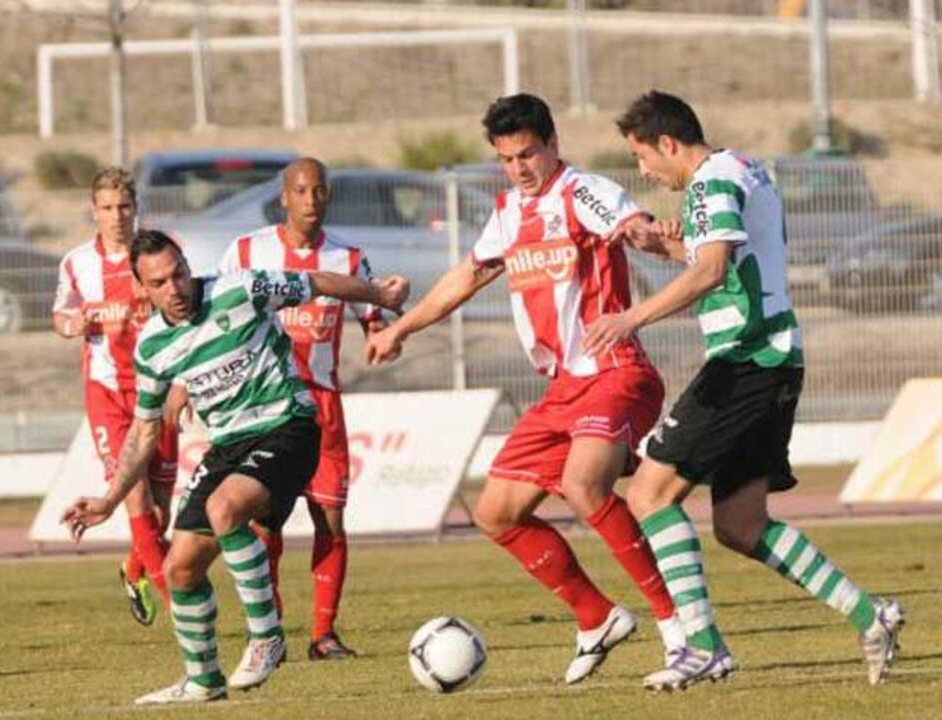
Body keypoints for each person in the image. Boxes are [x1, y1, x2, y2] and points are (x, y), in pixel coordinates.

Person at [367, 93, 684, 684]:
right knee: (496, 512)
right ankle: (597, 618)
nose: (520, 167)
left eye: (529, 154)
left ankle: (678, 627)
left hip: (615, 370)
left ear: (553, 145)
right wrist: (402, 328)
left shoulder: (581, 191)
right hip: (563, 389)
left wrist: (647, 231)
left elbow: (627, 220)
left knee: (582, 485)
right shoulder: (509, 211)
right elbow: (466, 276)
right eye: (508, 158)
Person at [593, 89, 904, 691]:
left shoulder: (710, 182)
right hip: (775, 359)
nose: (644, 172)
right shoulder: (742, 168)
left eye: (641, 157)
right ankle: (873, 615)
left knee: (650, 493)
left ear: (668, 143)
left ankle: (703, 645)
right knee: (739, 523)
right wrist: (663, 245)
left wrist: (631, 318)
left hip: (746, 359)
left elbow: (710, 271)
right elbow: (724, 260)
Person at [61, 230, 409, 704]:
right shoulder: (154, 348)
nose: (175, 288)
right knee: (180, 568)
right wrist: (107, 501)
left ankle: (267, 635)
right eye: (160, 282)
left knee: (226, 509)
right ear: (143, 289)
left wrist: (380, 295)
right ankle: (203, 681)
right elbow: (143, 434)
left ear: (188, 265)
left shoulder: (240, 288)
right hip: (228, 446)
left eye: (179, 273)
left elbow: (320, 282)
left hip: (289, 424)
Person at [218, 157, 388, 660]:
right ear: (284, 197)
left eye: (319, 191)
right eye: (301, 191)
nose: (311, 201)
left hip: (322, 408)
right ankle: (266, 633)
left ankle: (324, 634)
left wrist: (384, 339)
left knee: (330, 521)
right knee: (263, 523)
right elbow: (218, 317)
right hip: (264, 407)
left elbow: (374, 320)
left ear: (327, 196)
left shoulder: (350, 259)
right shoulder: (248, 251)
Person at [52, 167, 178, 626]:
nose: (116, 216)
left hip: (158, 390)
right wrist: (73, 324)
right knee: (135, 494)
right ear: (94, 211)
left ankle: (133, 569)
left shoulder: (157, 255)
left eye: (123, 206)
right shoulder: (77, 262)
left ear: (135, 208)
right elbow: (62, 315)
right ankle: (180, 609)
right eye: (107, 208)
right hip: (107, 394)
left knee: (161, 511)